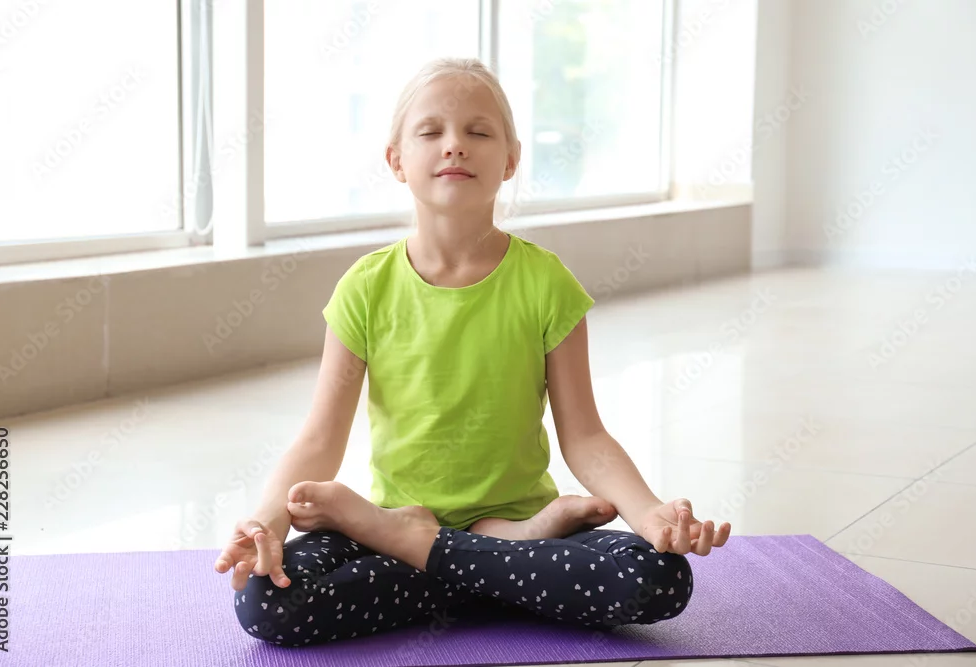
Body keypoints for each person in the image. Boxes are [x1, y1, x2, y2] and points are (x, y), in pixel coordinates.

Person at [214, 57, 731, 647]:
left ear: (510, 160)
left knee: (658, 577)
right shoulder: (364, 288)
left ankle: (444, 546)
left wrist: (647, 511)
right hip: (425, 533)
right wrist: (268, 519)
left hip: (474, 527)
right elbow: (318, 441)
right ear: (396, 160)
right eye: (431, 131)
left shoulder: (547, 283)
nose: (454, 145)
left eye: (478, 132)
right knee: (266, 600)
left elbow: (586, 437)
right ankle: (495, 564)